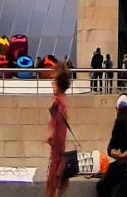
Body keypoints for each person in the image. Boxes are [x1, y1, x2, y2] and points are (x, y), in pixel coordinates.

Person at [45, 64, 73, 197]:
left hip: (57, 153)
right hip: (58, 152)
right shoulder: (61, 102)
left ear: (58, 83)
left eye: (53, 80)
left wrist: (51, 138)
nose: (51, 83)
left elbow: (59, 134)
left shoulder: (58, 103)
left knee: (54, 188)